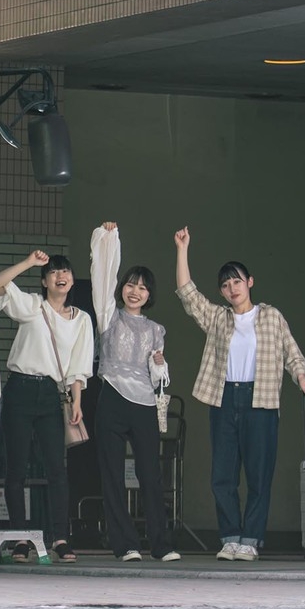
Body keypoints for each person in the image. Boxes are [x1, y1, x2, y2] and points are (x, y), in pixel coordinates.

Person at [173, 228, 305, 562]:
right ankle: (230, 538)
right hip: (224, 400)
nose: (231, 289)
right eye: (225, 285)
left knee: (258, 474)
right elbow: (186, 293)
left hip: (261, 401)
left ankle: (250, 540)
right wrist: (183, 249)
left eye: (236, 281)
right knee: (222, 475)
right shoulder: (218, 319)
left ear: (250, 282)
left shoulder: (271, 316)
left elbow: (291, 352)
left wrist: (301, 377)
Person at [0, 248, 93, 562]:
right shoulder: (33, 306)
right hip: (20, 389)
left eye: (65, 272)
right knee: (16, 469)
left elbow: (78, 366)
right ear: (44, 281)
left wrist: (76, 401)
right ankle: (20, 538)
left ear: (72, 279)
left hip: (52, 394)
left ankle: (60, 538)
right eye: (53, 272)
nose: (60, 277)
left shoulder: (81, 320)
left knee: (56, 469)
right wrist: (28, 262)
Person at [89, 222, 179, 562]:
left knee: (150, 476)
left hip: (143, 403)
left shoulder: (156, 329)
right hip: (111, 396)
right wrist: (108, 239)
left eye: (142, 288)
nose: (134, 291)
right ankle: (126, 544)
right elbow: (102, 277)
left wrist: (159, 362)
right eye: (130, 284)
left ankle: (162, 544)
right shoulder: (108, 316)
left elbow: (159, 376)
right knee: (112, 475)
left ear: (149, 294)